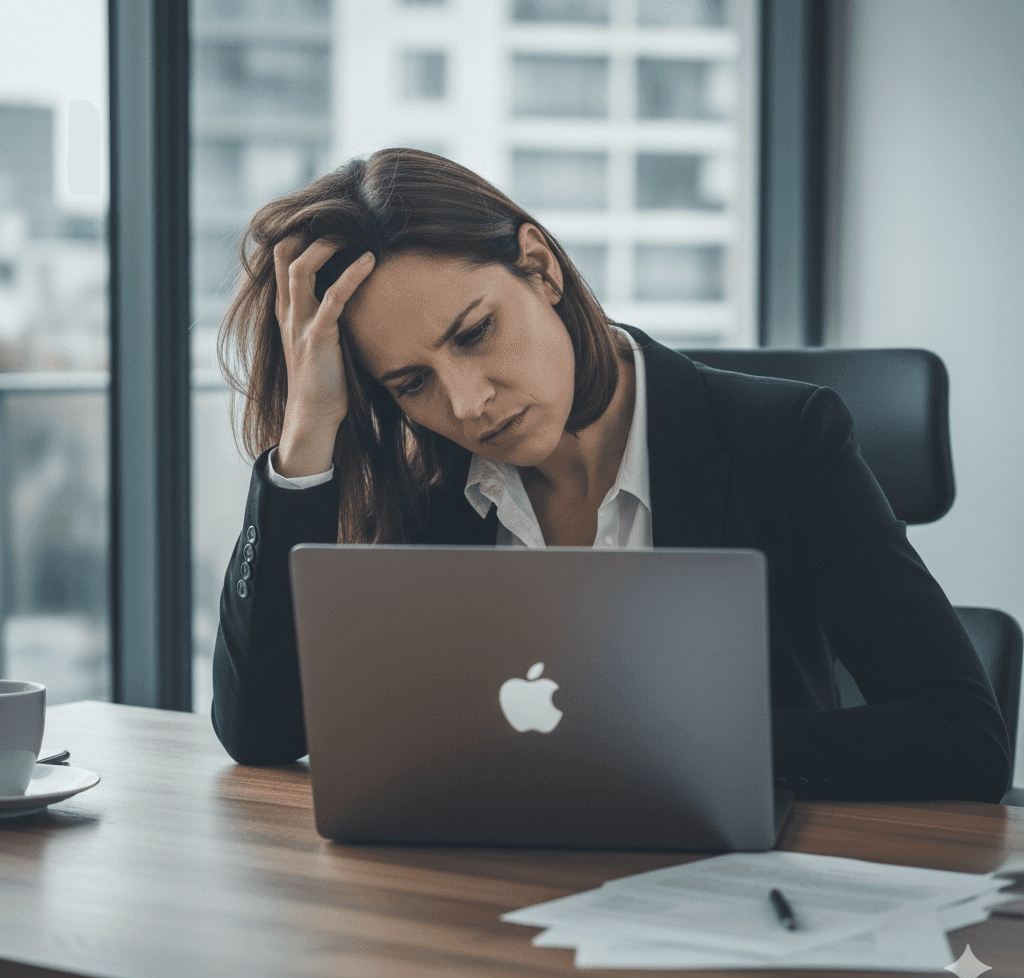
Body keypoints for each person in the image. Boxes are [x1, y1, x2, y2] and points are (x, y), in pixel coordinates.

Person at [212, 147, 1010, 803]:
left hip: (729, 897)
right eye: (410, 383)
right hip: (486, 898)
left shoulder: (785, 440)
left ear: (541, 268)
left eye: (474, 333)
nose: (468, 403)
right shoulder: (424, 488)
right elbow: (263, 734)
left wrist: (651, 740)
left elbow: (961, 738)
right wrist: (307, 436)